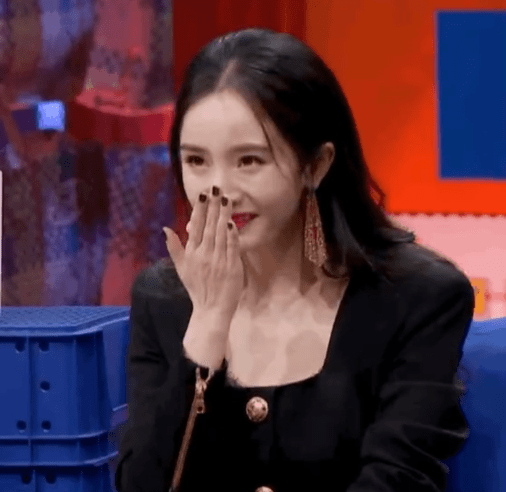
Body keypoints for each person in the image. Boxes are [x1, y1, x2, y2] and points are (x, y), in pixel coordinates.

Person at [115, 28, 475, 492]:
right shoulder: (162, 301)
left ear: (316, 165)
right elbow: (142, 485)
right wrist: (206, 327)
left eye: (249, 161)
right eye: (196, 161)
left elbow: (399, 479)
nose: (217, 189)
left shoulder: (418, 298)